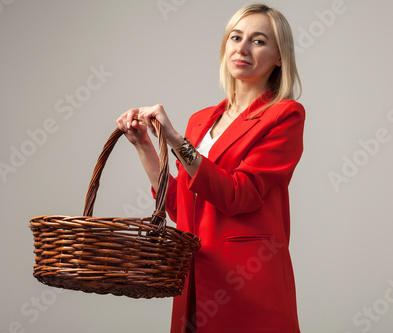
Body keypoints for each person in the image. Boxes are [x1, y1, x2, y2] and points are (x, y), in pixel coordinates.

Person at [116, 4, 304, 333]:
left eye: (258, 41)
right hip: (193, 277)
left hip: (246, 284)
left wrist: (174, 139)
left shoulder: (285, 115)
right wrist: (145, 145)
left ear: (279, 57)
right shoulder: (200, 120)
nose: (242, 48)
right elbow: (180, 207)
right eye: (236, 37)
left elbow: (238, 195)